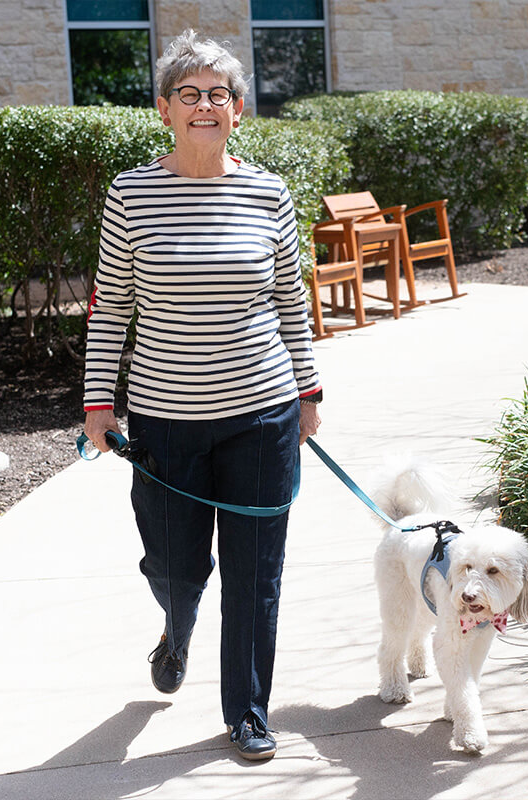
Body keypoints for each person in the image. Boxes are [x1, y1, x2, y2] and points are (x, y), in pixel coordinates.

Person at [82, 29, 322, 761]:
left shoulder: (268, 192)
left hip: (262, 414)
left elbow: (291, 302)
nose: (205, 106)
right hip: (166, 422)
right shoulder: (132, 192)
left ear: (239, 111)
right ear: (164, 109)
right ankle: (175, 628)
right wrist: (99, 404)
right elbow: (111, 308)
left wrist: (308, 392)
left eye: (219, 94)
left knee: (256, 576)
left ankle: (247, 712)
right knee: (177, 569)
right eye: (189, 94)